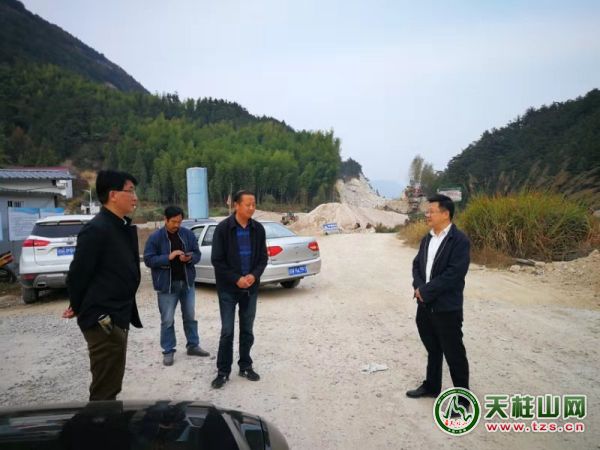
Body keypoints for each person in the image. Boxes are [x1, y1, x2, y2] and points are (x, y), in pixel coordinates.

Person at [63, 170, 142, 401]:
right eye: (130, 191)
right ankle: (99, 422)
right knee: (105, 388)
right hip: (103, 319)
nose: (135, 197)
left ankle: (105, 420)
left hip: (118, 314)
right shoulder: (97, 230)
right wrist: (78, 305)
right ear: (113, 195)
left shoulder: (119, 225)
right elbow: (78, 275)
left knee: (112, 382)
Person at [406, 194, 471, 401]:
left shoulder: (459, 241)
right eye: (427, 211)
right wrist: (419, 288)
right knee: (433, 349)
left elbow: (454, 274)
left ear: (445, 214)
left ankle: (462, 399)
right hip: (425, 306)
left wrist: (425, 291)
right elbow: (417, 265)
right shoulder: (428, 238)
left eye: (431, 211)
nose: (427, 215)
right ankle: (432, 386)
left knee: (454, 353)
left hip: (446, 308)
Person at [210, 190, 268, 389]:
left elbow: (263, 258)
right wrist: (236, 279)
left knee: (247, 330)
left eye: (254, 204)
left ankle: (245, 366)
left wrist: (253, 275)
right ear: (236, 205)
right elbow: (217, 260)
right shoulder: (223, 229)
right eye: (247, 204)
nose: (252, 208)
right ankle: (223, 371)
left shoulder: (258, 229)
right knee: (227, 331)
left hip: (250, 288)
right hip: (228, 288)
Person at [143, 206, 210, 366]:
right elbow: (148, 260)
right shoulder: (155, 237)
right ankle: (168, 350)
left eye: (179, 221)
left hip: (187, 283)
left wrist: (189, 258)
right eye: (173, 221)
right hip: (166, 286)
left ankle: (193, 345)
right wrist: (168, 257)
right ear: (165, 219)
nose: (177, 225)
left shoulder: (187, 234)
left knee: (190, 317)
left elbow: (197, 254)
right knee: (167, 320)